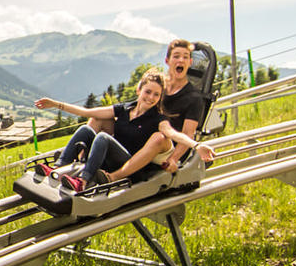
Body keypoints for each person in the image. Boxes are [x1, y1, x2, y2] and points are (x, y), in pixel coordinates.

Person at [34, 67, 210, 192]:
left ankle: (83, 181)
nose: (151, 98)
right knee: (85, 130)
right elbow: (87, 112)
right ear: (139, 90)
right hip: (111, 158)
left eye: (156, 95)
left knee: (102, 137)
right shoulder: (125, 109)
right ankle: (57, 168)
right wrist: (55, 104)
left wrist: (196, 146)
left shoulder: (158, 119)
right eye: (148, 92)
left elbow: (173, 134)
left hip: (131, 166)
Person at [98, 39, 210, 183]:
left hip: (162, 147)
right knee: (100, 119)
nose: (180, 60)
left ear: (190, 62)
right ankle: (78, 160)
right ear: (167, 60)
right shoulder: (157, 87)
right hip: (141, 134)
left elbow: (188, 133)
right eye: (176, 56)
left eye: (185, 57)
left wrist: (173, 158)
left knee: (159, 137)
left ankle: (113, 177)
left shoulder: (194, 98)